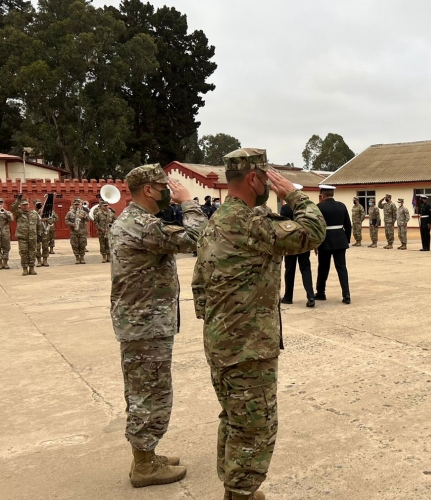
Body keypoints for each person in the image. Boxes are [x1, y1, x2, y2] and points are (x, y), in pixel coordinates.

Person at [192, 148, 325, 500]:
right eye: (267, 178)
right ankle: (241, 493)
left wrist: (219, 324)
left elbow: (199, 285)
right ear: (253, 179)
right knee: (255, 427)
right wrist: (293, 194)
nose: (270, 185)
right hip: (248, 348)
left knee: (234, 419)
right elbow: (313, 231)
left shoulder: (215, 222)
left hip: (220, 343)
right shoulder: (252, 223)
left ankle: (237, 490)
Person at [110, 164, 206, 488]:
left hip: (144, 322)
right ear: (148, 190)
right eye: (163, 186)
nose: (169, 190)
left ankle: (147, 455)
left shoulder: (135, 220)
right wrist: (188, 201)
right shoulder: (141, 224)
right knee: (148, 394)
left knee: (147, 390)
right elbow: (196, 237)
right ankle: (144, 467)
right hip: (145, 325)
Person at [280, 184, 316, 307]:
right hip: (304, 242)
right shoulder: (306, 208)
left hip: (290, 243)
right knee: (305, 269)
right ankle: (311, 296)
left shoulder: (285, 209)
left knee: (290, 270)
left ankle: (288, 297)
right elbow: (310, 226)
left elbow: (282, 228)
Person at [315, 184, 352, 304]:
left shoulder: (319, 207)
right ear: (332, 194)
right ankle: (346, 295)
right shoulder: (341, 206)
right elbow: (348, 225)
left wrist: (316, 243)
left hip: (325, 240)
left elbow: (316, 226)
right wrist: (346, 240)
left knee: (323, 268)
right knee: (341, 267)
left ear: (322, 195)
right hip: (340, 240)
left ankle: (321, 292)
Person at [11, 196, 42, 276]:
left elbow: (39, 224)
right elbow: (13, 208)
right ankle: (25, 269)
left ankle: (32, 268)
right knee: (23, 253)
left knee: (32, 253)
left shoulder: (34, 214)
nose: (25, 206)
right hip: (22, 237)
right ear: (20, 206)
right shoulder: (18, 213)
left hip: (32, 237)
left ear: (28, 205)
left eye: (26, 204)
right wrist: (18, 200)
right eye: (23, 205)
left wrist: (39, 234)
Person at [65, 199, 89, 264]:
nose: (76, 206)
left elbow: (88, 219)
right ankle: (77, 258)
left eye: (78, 204)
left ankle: (82, 258)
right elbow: (66, 221)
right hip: (74, 232)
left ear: (79, 205)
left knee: (82, 245)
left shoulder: (83, 212)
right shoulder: (69, 213)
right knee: (74, 245)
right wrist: (72, 224)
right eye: (75, 204)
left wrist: (83, 216)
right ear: (73, 205)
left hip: (82, 232)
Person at [33, 199, 51, 267]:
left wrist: (46, 219)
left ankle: (45, 260)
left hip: (44, 232)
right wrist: (37, 214)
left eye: (40, 204)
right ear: (34, 205)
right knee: (37, 248)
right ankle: (39, 261)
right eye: (37, 204)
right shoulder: (33, 213)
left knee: (45, 247)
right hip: (36, 232)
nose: (39, 205)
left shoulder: (46, 212)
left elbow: (52, 220)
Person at [0, 198, 13, 269]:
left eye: (1, 203)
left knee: (6, 248)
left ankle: (5, 263)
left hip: (5, 233)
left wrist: (4, 211)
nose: (0, 204)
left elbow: (11, 219)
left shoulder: (7, 212)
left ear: (3, 204)